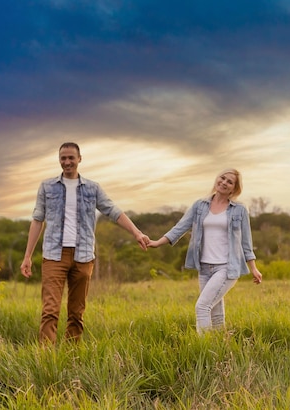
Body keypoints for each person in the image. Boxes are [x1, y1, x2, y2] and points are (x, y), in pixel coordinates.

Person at [20, 142, 150, 344]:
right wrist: (27, 256)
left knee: (76, 313)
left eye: (71, 157)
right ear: (59, 160)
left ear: (79, 159)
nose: (67, 162)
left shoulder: (92, 188)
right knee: (50, 311)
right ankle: (46, 364)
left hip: (83, 257)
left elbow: (113, 211)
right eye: (63, 158)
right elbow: (37, 220)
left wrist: (136, 233)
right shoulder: (47, 187)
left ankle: (72, 359)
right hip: (54, 256)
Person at [148, 168, 262, 334]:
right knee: (215, 313)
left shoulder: (239, 210)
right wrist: (158, 242)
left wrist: (253, 268)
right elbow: (180, 227)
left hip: (227, 267)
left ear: (234, 188)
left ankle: (205, 349)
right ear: (217, 178)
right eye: (222, 178)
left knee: (202, 307)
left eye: (230, 182)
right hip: (204, 267)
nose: (224, 182)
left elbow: (246, 242)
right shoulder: (200, 206)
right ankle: (221, 350)